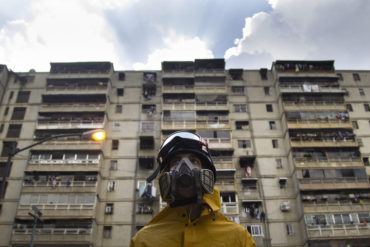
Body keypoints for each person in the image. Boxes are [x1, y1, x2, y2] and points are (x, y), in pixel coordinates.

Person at [130, 131, 256, 247]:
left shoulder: (239, 238)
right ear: (165, 173)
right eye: (175, 161)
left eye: (194, 161)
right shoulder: (143, 241)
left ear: (206, 172)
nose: (184, 167)